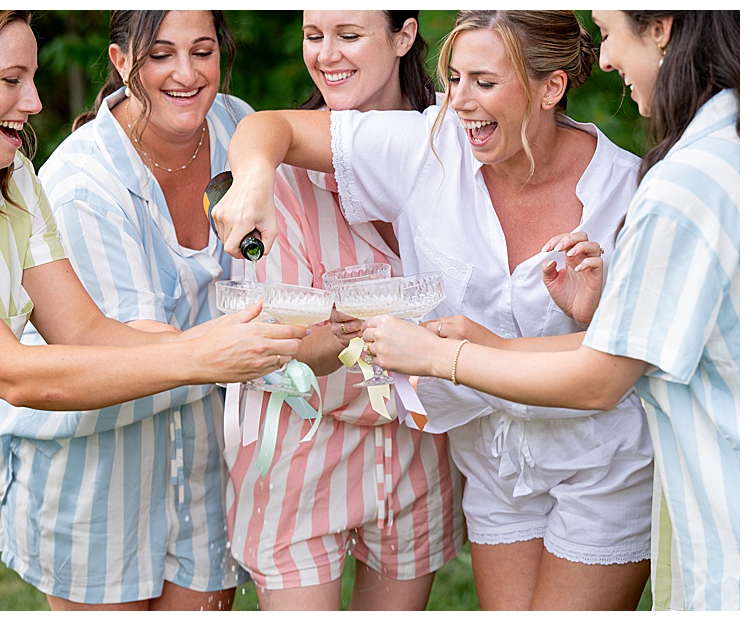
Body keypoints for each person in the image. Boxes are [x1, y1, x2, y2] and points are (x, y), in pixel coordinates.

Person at [0, 11, 307, 610]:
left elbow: (83, 331)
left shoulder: (9, 184)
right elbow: (19, 374)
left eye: (32, 77)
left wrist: (233, 343)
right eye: (12, 80)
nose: (33, 100)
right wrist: (204, 355)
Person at [209, 11, 652, 610]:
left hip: (603, 462)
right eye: (454, 78)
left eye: (485, 83)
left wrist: (585, 314)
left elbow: (621, 361)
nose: (460, 101)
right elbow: (269, 128)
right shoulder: (428, 144)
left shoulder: (626, 192)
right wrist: (254, 180)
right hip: (493, 460)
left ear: (551, 88)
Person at [361, 10, 739, 611]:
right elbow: (626, 347)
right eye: (455, 79)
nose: (606, 59)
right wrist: (586, 318)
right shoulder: (711, 157)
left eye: (611, 34)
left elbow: (605, 377)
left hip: (650, 477)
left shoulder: (670, 186)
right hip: (499, 463)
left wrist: (444, 355)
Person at [218, 11, 459, 610]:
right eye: (312, 36)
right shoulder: (283, 173)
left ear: (404, 36)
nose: (326, 55)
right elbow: (272, 345)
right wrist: (252, 175)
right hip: (297, 452)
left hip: (415, 446)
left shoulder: (454, 148)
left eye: (349, 36)